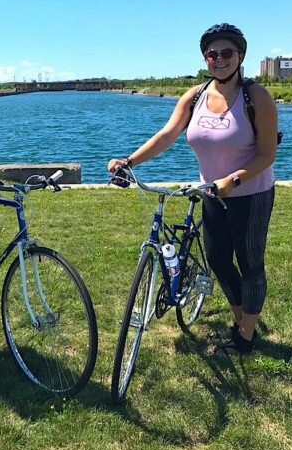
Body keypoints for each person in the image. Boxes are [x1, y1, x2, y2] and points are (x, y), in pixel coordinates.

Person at [107, 23, 278, 356]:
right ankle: (241, 318)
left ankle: (244, 338)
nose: (218, 59)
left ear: (240, 56)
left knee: (250, 264)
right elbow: (166, 135)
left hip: (250, 193)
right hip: (211, 192)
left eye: (226, 53)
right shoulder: (196, 95)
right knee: (216, 259)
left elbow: (266, 153)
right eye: (212, 54)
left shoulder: (256, 96)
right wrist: (130, 161)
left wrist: (234, 180)